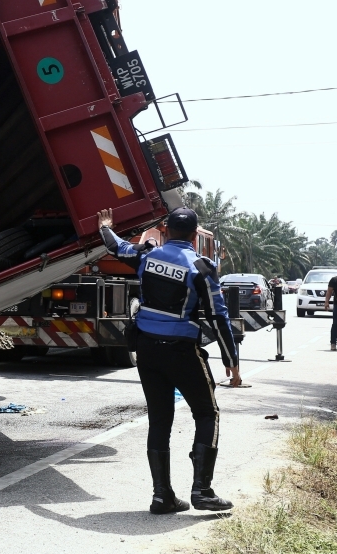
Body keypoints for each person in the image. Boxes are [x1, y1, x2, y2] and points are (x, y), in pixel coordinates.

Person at [98, 207, 239, 514]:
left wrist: (105, 225)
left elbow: (116, 246)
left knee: (160, 419)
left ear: (166, 230)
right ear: (194, 234)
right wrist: (231, 360)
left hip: (146, 349)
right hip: (181, 350)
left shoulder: (147, 256)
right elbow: (218, 316)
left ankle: (162, 496)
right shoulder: (201, 266)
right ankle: (202, 491)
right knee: (207, 413)